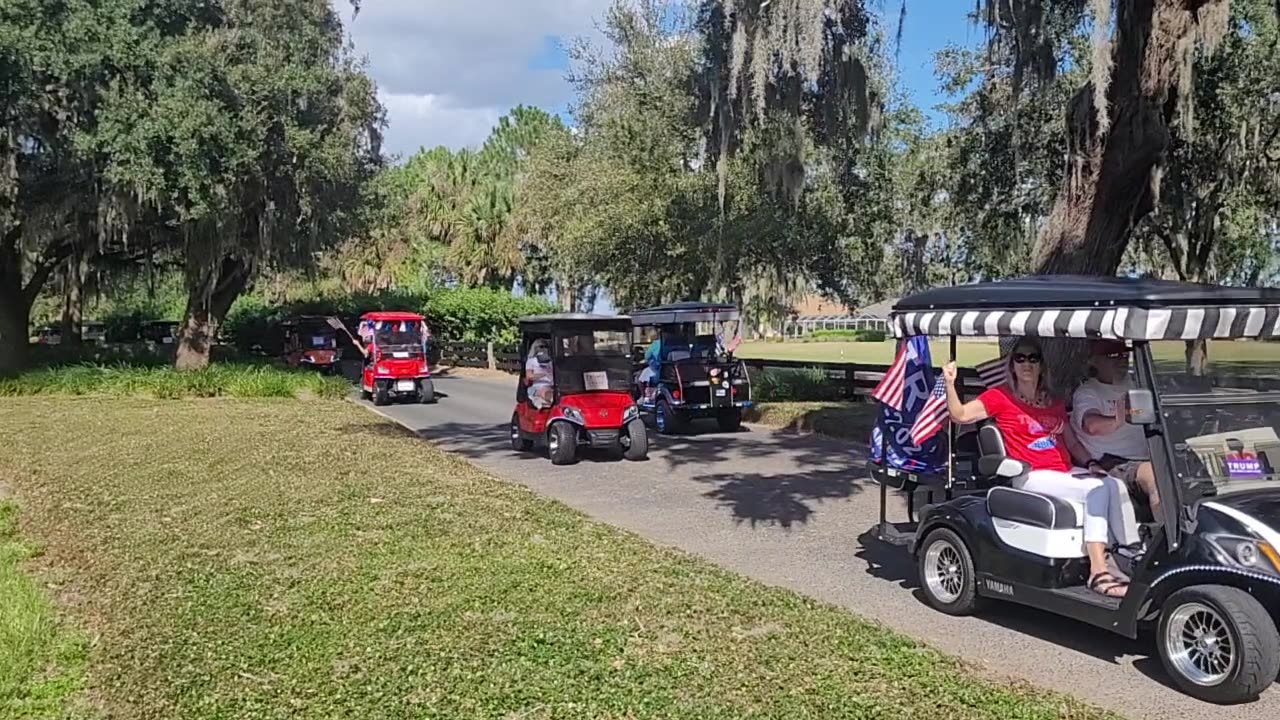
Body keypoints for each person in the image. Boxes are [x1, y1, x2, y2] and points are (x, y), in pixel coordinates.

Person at [942, 337, 1130, 598]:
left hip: (1063, 472)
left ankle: (1126, 557)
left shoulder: (1052, 401)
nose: (1027, 364)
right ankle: (1098, 571)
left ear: (1042, 365)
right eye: (1020, 358)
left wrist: (1091, 463)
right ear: (1012, 364)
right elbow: (960, 415)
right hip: (1030, 474)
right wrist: (950, 384)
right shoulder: (999, 397)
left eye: (1033, 358)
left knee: (1113, 484)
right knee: (1096, 490)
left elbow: (1072, 442)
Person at [1071, 339, 1161, 521]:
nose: (1121, 361)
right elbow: (1091, 425)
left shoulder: (1136, 384)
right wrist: (1117, 420)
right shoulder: (1088, 392)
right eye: (1113, 356)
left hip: (1148, 454)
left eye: (1124, 355)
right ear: (1094, 361)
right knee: (1157, 477)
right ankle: (1171, 540)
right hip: (1112, 462)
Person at [526, 339, 555, 408]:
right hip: (538, 386)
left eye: (545, 347)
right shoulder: (531, 360)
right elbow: (529, 376)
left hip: (551, 385)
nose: (543, 349)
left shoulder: (551, 361)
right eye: (540, 347)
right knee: (546, 392)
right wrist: (543, 375)